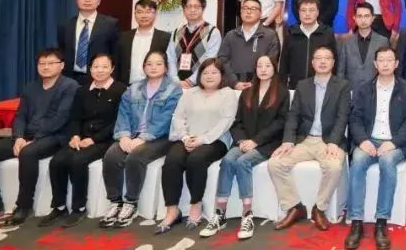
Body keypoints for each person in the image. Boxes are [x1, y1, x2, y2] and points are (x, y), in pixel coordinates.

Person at [0, 48, 79, 225]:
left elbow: (60, 118)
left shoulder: (70, 86)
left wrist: (33, 139)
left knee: (28, 153)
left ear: (61, 66)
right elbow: (20, 116)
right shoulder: (31, 87)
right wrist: (19, 137)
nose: (45, 67)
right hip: (27, 135)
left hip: (55, 136)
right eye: (42, 63)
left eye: (51, 63)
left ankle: (23, 206)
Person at [201, 55, 287, 240]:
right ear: (255, 69)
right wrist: (241, 140)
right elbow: (237, 121)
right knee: (227, 160)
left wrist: (256, 141)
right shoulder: (247, 92)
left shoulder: (281, 92)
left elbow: (281, 123)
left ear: (274, 68)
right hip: (244, 141)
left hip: (268, 143)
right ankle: (220, 213)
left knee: (243, 162)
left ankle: (247, 215)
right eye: (259, 66)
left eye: (267, 66)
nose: (263, 69)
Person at [344, 47, 406, 250]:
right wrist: (362, 140)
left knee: (387, 161)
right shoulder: (363, 89)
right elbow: (355, 118)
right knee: (358, 161)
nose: (385, 64)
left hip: (396, 143)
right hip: (369, 140)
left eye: (389, 60)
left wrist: (393, 143)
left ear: (396, 64)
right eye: (381, 60)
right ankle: (356, 222)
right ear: (375, 64)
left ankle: (381, 222)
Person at [268, 46, 350, 231]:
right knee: (275, 163)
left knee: (334, 167)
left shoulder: (342, 86)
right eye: (318, 58)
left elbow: (342, 117)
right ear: (312, 63)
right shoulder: (303, 85)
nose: (322, 61)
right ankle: (294, 207)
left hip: (328, 141)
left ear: (333, 62)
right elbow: (293, 115)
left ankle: (319, 209)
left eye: (327, 58)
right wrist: (288, 141)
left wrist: (333, 142)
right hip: (304, 140)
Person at [40, 53, 127, 228]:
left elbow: (119, 121)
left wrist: (93, 139)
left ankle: (79, 208)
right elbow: (74, 118)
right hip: (81, 138)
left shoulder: (121, 90)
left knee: (77, 160)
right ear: (90, 69)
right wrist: (75, 136)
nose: (100, 70)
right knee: (57, 161)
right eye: (96, 66)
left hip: (105, 140)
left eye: (104, 66)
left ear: (112, 69)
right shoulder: (82, 90)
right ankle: (59, 206)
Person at [99, 50, 182, 229]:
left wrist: (144, 137)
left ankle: (131, 203)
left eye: (158, 64)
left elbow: (167, 118)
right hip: (132, 135)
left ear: (166, 67)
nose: (153, 67)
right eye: (149, 64)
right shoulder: (133, 88)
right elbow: (123, 113)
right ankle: (115, 202)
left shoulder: (174, 89)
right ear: (143, 67)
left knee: (136, 156)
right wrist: (124, 135)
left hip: (161, 137)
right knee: (112, 155)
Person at [156, 59, 239, 233]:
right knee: (172, 160)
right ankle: (172, 210)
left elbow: (226, 122)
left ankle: (196, 205)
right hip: (188, 137)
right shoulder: (190, 93)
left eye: (214, 72)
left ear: (222, 75)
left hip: (215, 141)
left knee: (196, 159)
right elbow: (178, 117)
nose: (209, 76)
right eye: (205, 72)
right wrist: (185, 137)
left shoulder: (228, 94)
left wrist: (202, 139)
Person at [56, 0, 120, 83]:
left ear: (99, 1)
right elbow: (62, 51)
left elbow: (115, 54)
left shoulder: (110, 24)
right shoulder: (65, 25)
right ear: (76, 0)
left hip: (99, 77)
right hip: (69, 78)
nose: (87, 0)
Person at [219, 0, 281, 89]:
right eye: (245, 8)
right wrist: (234, 82)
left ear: (260, 13)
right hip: (232, 87)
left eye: (253, 9)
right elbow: (222, 60)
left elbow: (272, 62)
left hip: (260, 87)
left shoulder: (270, 36)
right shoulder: (230, 35)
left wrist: (254, 83)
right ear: (241, 11)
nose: (248, 12)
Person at [279, 0, 337, 90]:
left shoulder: (327, 33)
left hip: (321, 87)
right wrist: (282, 87)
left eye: (312, 10)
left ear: (317, 12)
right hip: (295, 87)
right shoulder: (291, 33)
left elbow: (335, 62)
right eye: (303, 10)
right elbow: (284, 64)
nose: (307, 14)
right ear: (298, 12)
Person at [166, 0, 222, 89]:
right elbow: (170, 57)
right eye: (189, 6)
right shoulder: (177, 32)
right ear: (184, 10)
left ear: (203, 9)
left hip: (201, 85)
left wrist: (191, 81)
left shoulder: (212, 31)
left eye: (196, 6)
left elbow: (209, 59)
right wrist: (175, 80)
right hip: (177, 85)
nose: (192, 10)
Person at [114, 0, 169, 85]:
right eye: (139, 12)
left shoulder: (165, 38)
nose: (144, 16)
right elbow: (117, 63)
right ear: (135, 14)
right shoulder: (123, 37)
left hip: (154, 86)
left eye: (148, 12)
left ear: (155, 14)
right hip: (127, 87)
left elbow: (169, 65)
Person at [337, 2, 388, 87]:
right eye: (359, 16)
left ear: (373, 18)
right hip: (351, 90)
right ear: (354, 18)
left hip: (376, 90)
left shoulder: (383, 41)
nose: (363, 20)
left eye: (367, 16)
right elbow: (340, 71)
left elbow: (386, 69)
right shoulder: (346, 43)